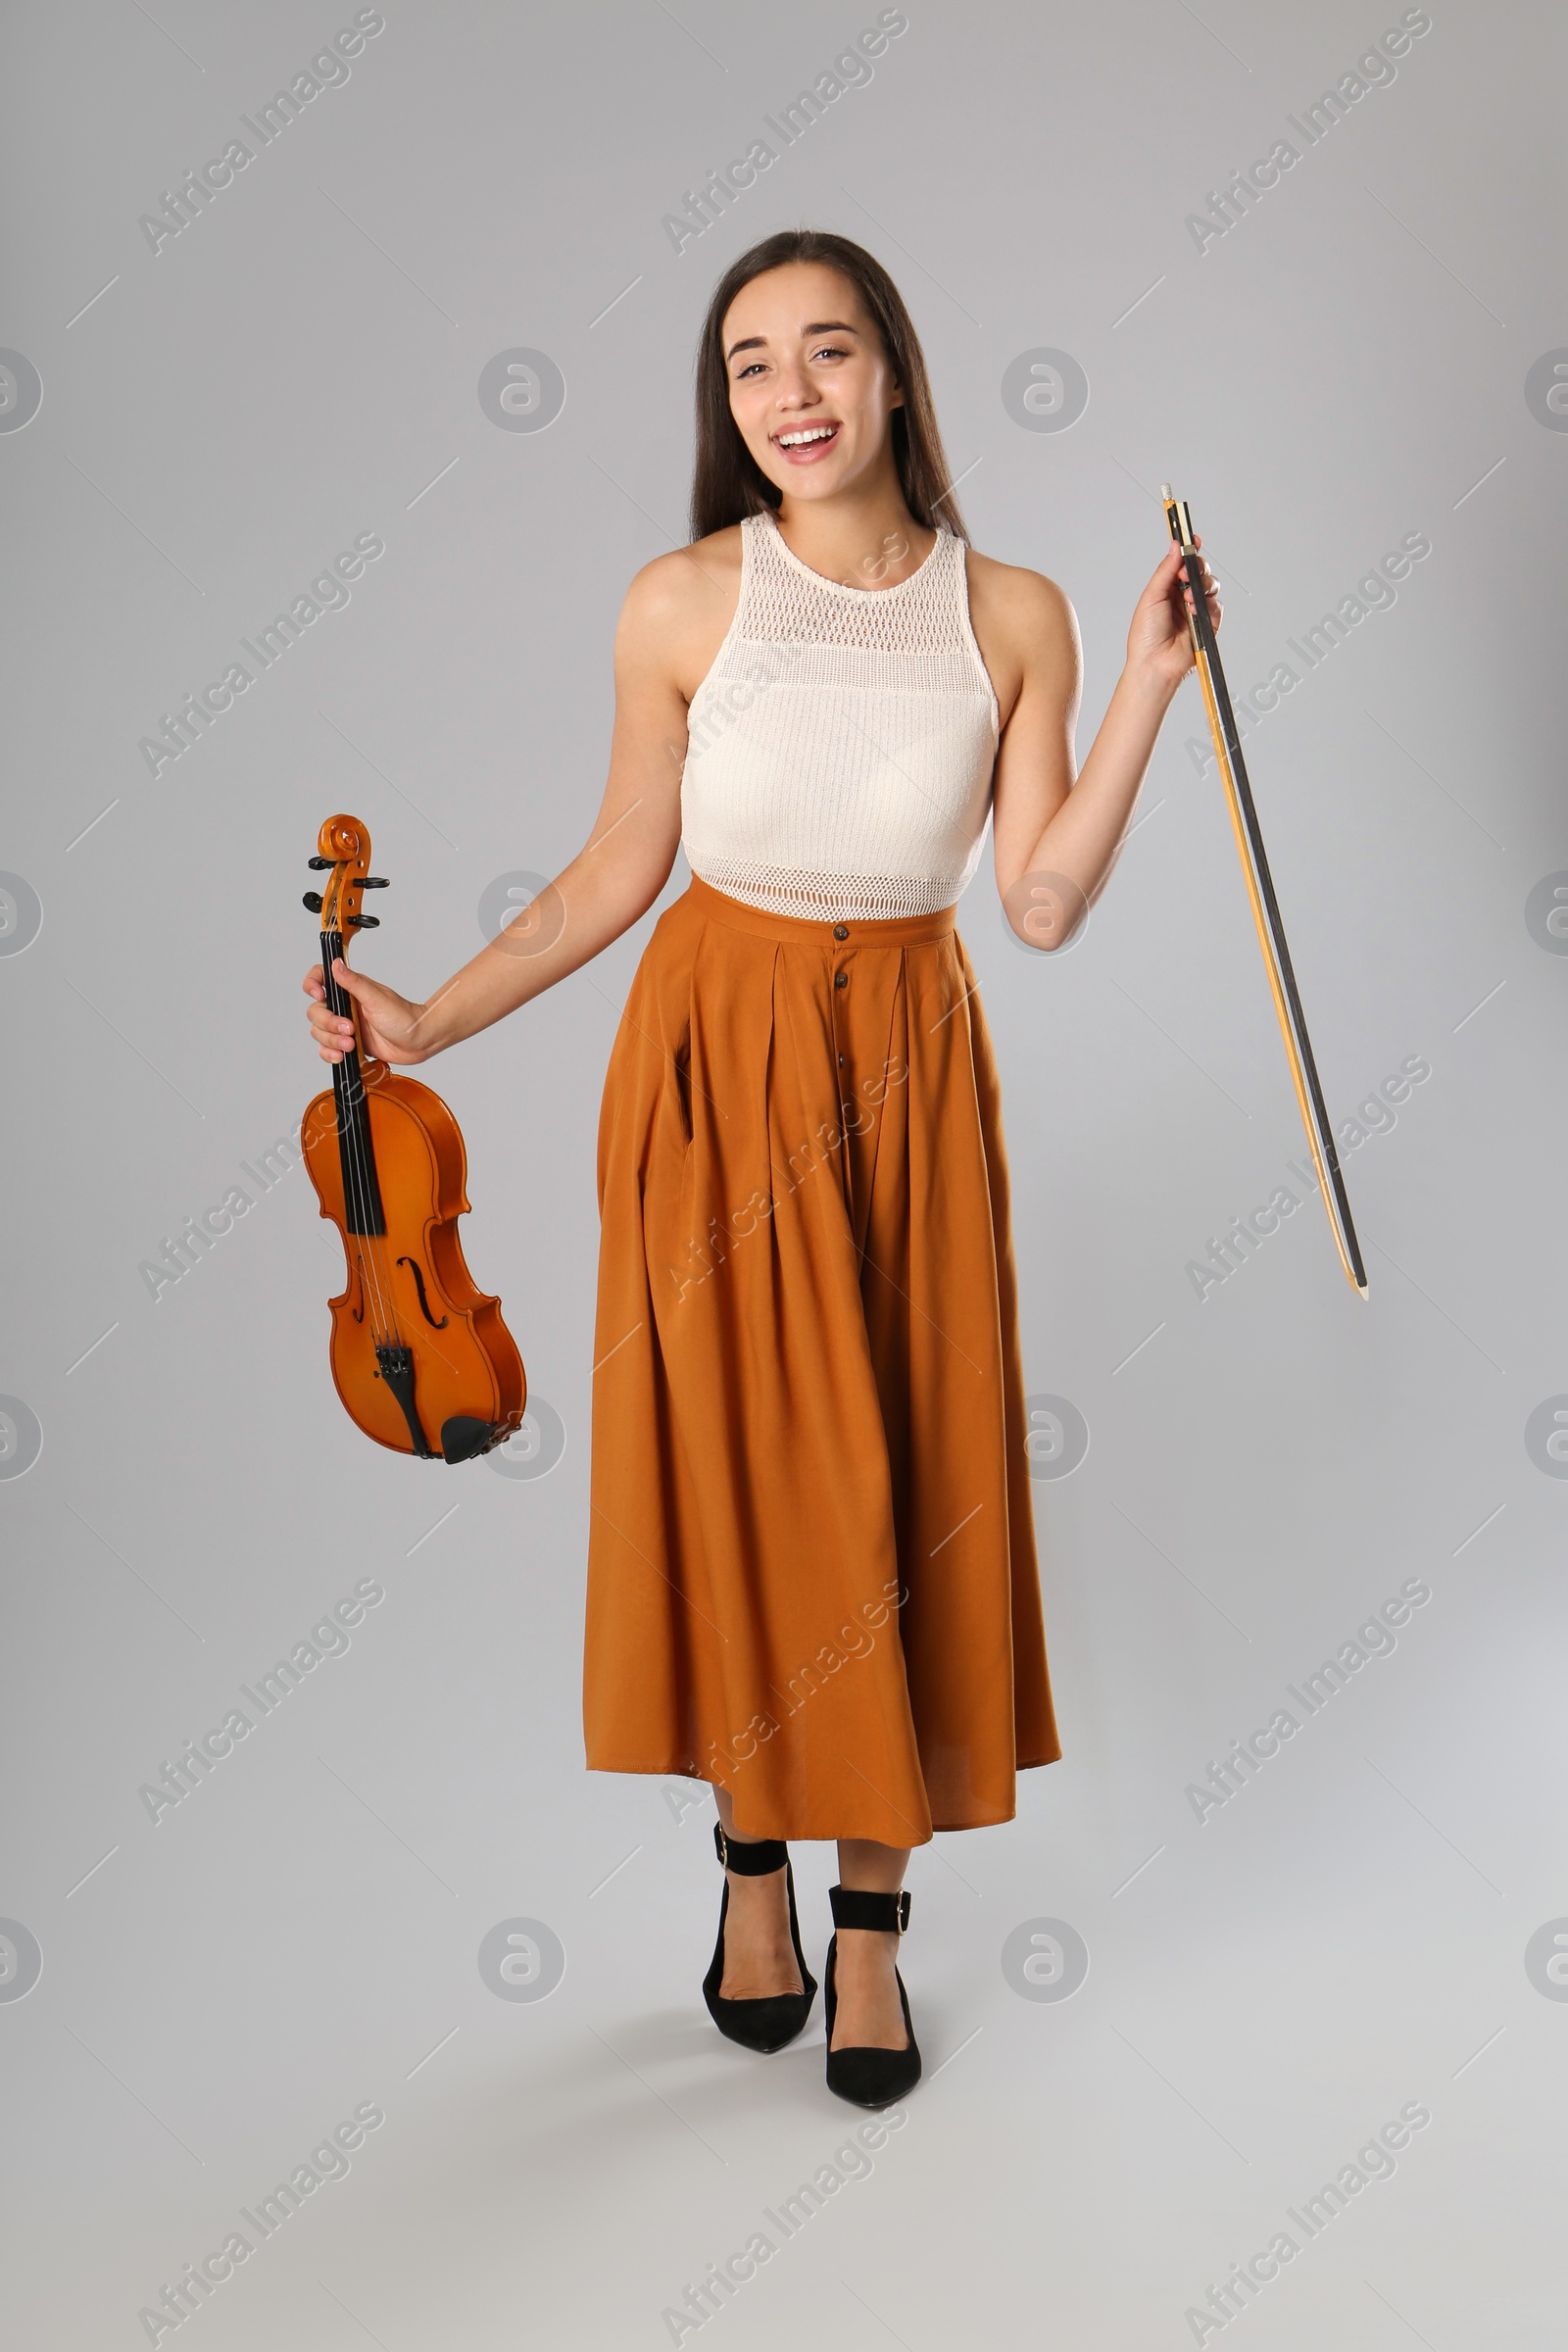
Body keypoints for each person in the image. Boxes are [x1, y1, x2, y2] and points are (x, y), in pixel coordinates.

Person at [304, 228, 1219, 2109]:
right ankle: (747, 1866)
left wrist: (1147, 690)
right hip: (711, 1068)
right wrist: (428, 1027)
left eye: (828, 353)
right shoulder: (678, 605)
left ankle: (869, 1922)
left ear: (895, 372)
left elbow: (1036, 902)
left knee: (907, 1479)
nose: (792, 398)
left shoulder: (1018, 612)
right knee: (733, 1480)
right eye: (750, 367)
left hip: (907, 1070)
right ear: (726, 406)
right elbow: (609, 876)